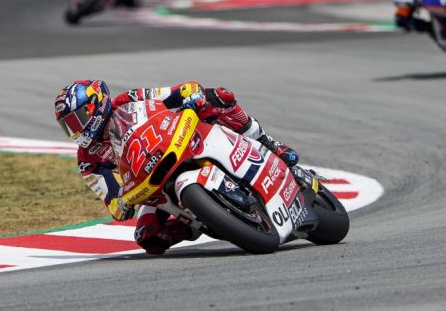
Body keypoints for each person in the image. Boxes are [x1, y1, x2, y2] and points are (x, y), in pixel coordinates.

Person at [55, 80, 298, 255]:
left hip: (177, 140)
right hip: (152, 183)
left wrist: (190, 96)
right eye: (68, 126)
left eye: (76, 120)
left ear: (94, 107)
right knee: (148, 237)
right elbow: (113, 203)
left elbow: (178, 91)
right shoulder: (88, 161)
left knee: (218, 96)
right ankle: (200, 221)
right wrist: (121, 204)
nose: (75, 130)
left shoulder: (129, 99)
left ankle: (267, 142)